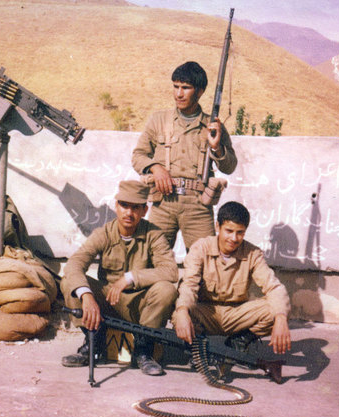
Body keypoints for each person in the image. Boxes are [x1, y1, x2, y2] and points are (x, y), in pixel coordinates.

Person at [61, 180, 178, 376]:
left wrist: (130, 277)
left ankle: (143, 351)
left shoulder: (154, 235)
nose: (128, 213)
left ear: (144, 210)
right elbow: (74, 264)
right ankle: (94, 343)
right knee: (70, 283)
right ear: (116, 206)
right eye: (124, 205)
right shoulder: (104, 234)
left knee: (166, 290)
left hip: (139, 307)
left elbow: (170, 271)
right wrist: (87, 296)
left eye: (135, 207)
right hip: (107, 302)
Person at [173, 201, 291, 373]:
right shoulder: (201, 248)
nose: (234, 238)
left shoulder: (253, 254)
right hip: (207, 313)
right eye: (229, 231)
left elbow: (273, 287)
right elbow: (189, 284)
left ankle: (237, 343)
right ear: (218, 227)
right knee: (179, 312)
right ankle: (197, 347)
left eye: (240, 232)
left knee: (277, 308)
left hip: (236, 314)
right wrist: (183, 311)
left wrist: (281, 317)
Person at [132, 61, 237, 250]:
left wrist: (217, 148)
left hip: (198, 206)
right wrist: (155, 168)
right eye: (176, 86)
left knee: (205, 259)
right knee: (152, 257)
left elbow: (230, 167)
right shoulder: (158, 120)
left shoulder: (212, 126)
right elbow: (138, 156)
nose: (178, 94)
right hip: (163, 202)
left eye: (186, 88)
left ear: (200, 91)